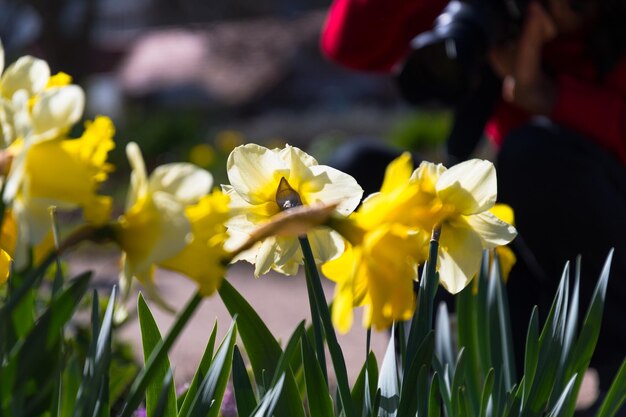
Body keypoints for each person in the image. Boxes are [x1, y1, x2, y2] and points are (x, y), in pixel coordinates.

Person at [320, 0, 626, 413]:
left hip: (606, 256)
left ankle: (619, 381)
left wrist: (551, 97)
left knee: (536, 155)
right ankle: (438, 382)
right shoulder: (504, 14)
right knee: (356, 179)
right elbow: (349, 44)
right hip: (525, 254)